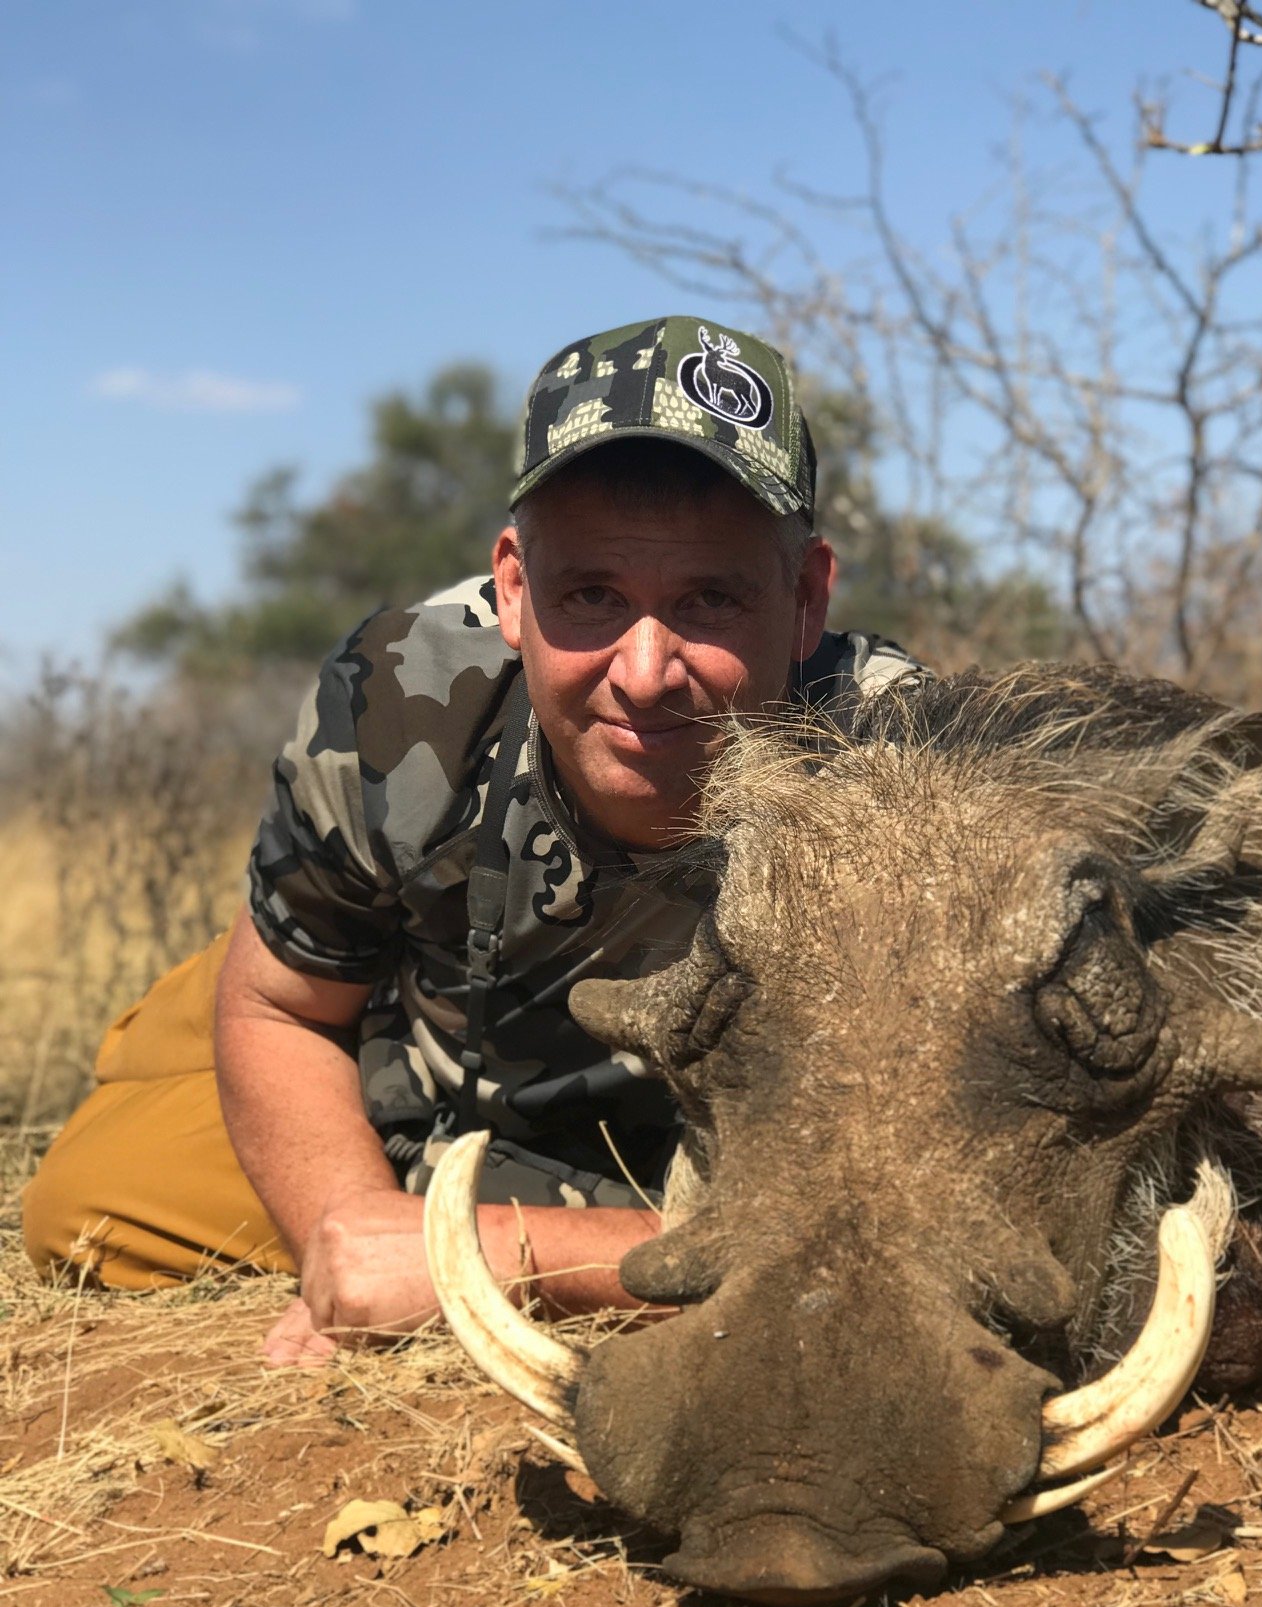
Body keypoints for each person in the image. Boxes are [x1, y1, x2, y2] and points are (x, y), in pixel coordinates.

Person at [22, 316, 927, 1365]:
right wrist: (348, 1234)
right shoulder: (403, 686)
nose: (643, 671)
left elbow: (897, 1219)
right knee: (84, 1204)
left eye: (709, 600)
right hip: (395, 1020)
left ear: (809, 597)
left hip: (628, 1161)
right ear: (510, 587)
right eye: (591, 595)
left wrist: (483, 1259)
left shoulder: (909, 784)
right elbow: (279, 1007)